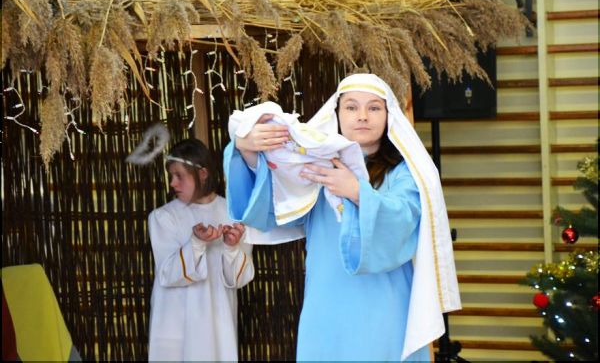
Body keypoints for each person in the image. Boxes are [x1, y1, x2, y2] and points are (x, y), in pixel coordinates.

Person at [224, 73, 461, 361]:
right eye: (351, 107)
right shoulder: (313, 166)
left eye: (374, 107)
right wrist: (247, 150)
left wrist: (358, 192)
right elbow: (275, 207)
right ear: (336, 113)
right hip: (327, 305)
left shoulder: (405, 173)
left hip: (385, 308)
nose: (362, 116)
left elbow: (403, 222)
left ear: (388, 115)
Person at [147, 138, 255, 361]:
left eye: (179, 176)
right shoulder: (163, 217)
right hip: (174, 326)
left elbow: (239, 279)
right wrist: (196, 243)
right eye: (171, 176)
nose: (172, 183)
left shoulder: (234, 215)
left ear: (202, 173)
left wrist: (231, 247)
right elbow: (167, 274)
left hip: (218, 326)